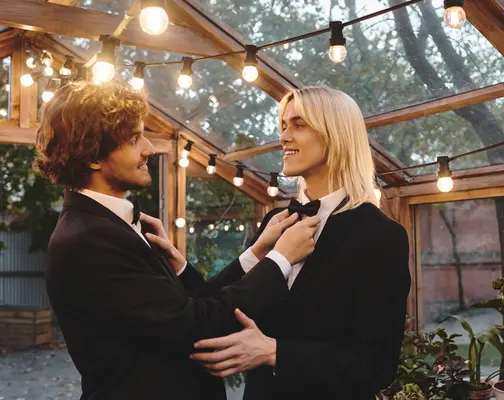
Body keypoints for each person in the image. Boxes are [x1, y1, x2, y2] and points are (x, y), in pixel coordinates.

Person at [36, 80, 320, 400]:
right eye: (134, 139)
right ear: (92, 156)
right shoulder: (87, 241)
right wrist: (280, 259)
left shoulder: (111, 226)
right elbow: (196, 327)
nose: (149, 148)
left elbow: (190, 307)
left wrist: (256, 253)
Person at [189, 86, 412, 400]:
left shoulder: (380, 235)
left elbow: (376, 365)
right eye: (282, 126)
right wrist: (254, 254)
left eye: (298, 125)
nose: (283, 137)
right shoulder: (274, 223)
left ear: (335, 134)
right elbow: (215, 311)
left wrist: (274, 353)